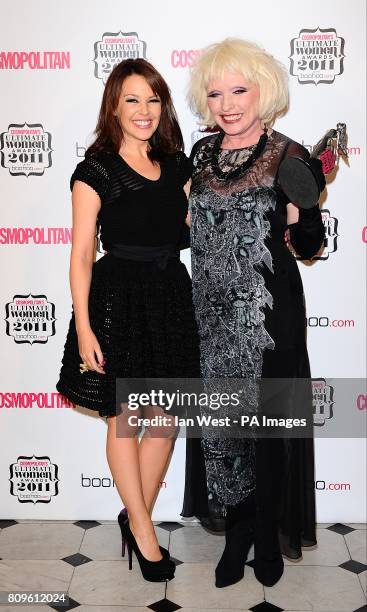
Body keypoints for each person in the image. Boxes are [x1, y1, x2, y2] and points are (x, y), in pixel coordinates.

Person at [181, 38, 325, 588]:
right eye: (215, 93)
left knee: (264, 430)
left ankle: (265, 534)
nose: (227, 103)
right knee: (226, 428)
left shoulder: (290, 155)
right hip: (212, 318)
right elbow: (189, 231)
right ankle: (236, 531)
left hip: (269, 320)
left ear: (264, 92)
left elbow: (308, 243)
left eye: (238, 90)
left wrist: (305, 209)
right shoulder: (201, 155)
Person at [56, 58, 200, 582]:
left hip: (169, 297)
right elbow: (79, 255)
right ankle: (143, 530)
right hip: (118, 300)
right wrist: (85, 328)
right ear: (114, 105)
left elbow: (199, 225)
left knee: (165, 416)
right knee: (126, 418)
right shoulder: (94, 170)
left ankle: (131, 512)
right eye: (132, 99)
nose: (144, 111)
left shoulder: (179, 165)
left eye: (153, 99)